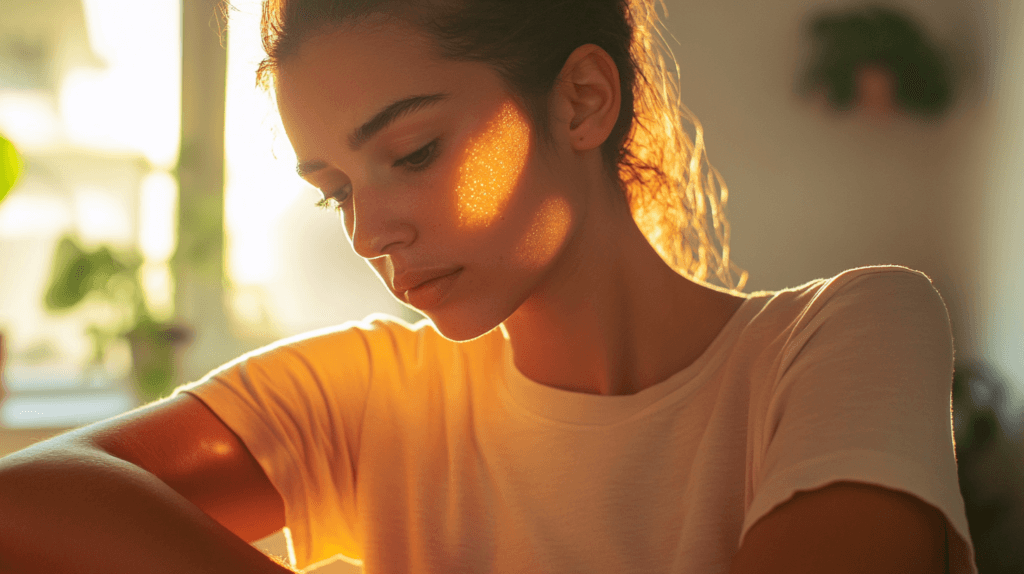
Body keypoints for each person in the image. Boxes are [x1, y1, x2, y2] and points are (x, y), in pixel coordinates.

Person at [0, 0, 976, 572]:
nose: (369, 234)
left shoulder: (846, 333)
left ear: (582, 100)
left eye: (414, 152)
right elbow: (23, 503)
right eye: (335, 191)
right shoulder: (369, 395)